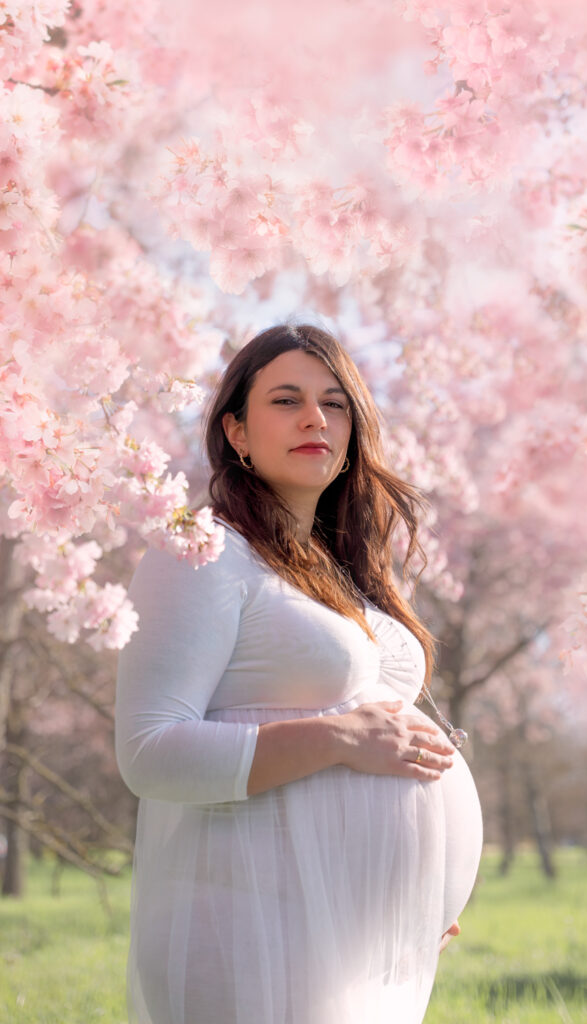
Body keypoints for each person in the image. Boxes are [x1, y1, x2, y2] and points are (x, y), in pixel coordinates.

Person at [115, 322, 483, 1024]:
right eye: (286, 400)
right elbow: (148, 753)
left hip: (354, 936)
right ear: (237, 432)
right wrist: (337, 738)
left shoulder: (344, 570)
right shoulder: (201, 552)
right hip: (248, 924)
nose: (315, 417)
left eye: (335, 402)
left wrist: (417, 891)